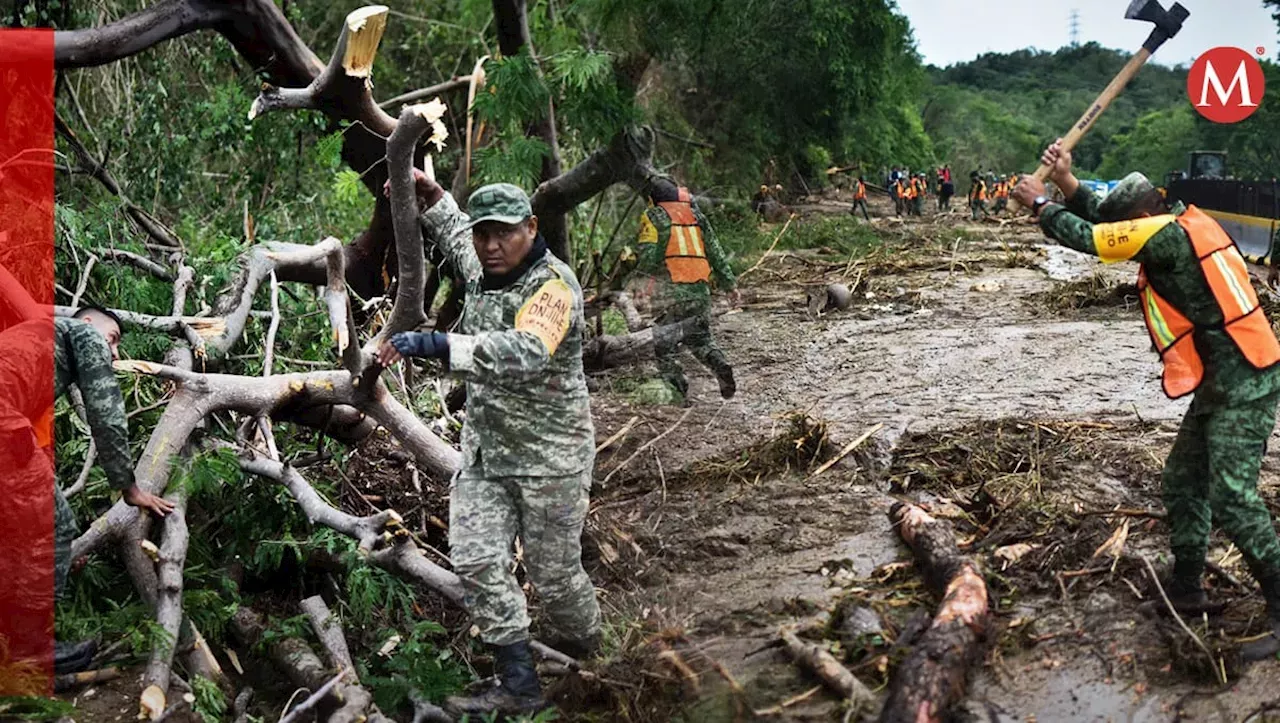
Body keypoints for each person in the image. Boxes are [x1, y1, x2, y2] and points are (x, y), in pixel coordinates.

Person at [1013, 139, 1280, 662]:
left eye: (1127, 223)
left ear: (1141, 216)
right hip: (1224, 378)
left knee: (1231, 497)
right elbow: (1107, 220)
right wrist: (1067, 181)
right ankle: (1187, 587)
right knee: (1182, 481)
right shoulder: (1181, 220)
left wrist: (1041, 204)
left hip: (1246, 381)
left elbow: (1093, 236)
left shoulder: (1166, 242)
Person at [377, 175, 601, 717]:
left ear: (531, 228)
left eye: (504, 234)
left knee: (554, 579)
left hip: (553, 461)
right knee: (477, 560)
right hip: (485, 457)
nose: (491, 245)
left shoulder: (554, 287)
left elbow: (525, 350)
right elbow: (456, 234)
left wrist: (436, 343)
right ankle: (519, 684)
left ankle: (597, 653)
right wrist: (431, 197)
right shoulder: (480, 260)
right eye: (486, 235)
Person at [0, 308, 174, 678]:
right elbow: (106, 412)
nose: (113, 354)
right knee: (54, 525)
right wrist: (128, 487)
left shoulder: (33, 340)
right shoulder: (81, 334)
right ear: (89, 323)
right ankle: (31, 650)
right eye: (112, 339)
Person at [635, 176, 738, 402]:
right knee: (701, 340)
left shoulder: (652, 217)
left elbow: (647, 259)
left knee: (664, 345)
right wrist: (730, 285)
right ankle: (719, 364)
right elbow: (716, 253)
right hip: (699, 290)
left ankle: (678, 392)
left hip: (669, 293)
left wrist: (639, 284)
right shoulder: (696, 215)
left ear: (652, 199)